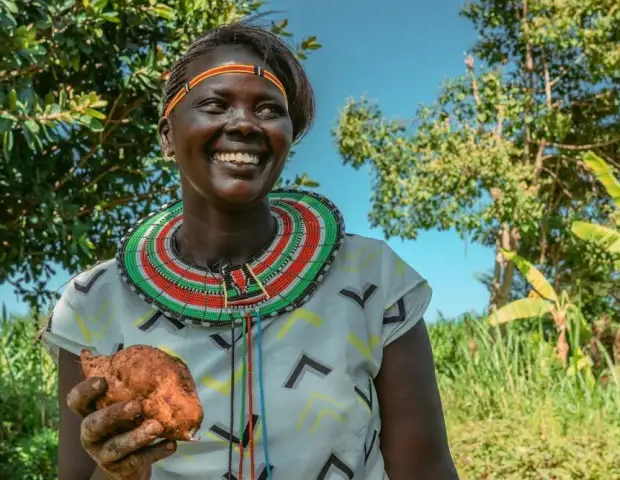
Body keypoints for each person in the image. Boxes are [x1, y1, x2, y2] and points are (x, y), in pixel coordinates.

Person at [39, 15, 459, 480]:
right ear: (167, 135)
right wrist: (119, 471)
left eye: (267, 110)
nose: (243, 123)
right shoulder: (92, 303)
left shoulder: (371, 280)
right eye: (216, 104)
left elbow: (427, 471)